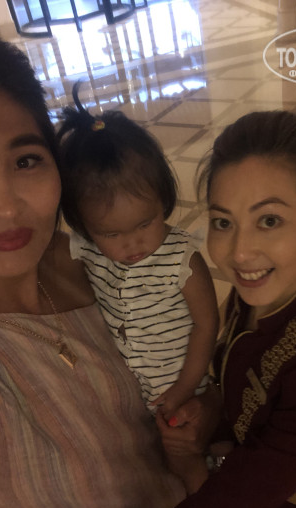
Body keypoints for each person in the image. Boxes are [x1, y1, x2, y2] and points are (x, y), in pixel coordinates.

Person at [107, 111, 296, 508]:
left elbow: (227, 507)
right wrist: (210, 408)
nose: (239, 252)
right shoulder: (260, 296)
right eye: (223, 222)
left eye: (269, 221)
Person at [0, 29, 208, 508]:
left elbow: (189, 370)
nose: (4, 205)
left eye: (25, 160)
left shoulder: (105, 258)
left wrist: (198, 416)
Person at [57, 85, 218, 423]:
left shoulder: (182, 260)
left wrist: (184, 389)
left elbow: (207, 325)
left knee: (185, 446)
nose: (132, 244)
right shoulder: (89, 252)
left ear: (163, 199)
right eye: (111, 234)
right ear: (84, 226)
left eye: (145, 223)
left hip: (183, 391)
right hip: (130, 398)